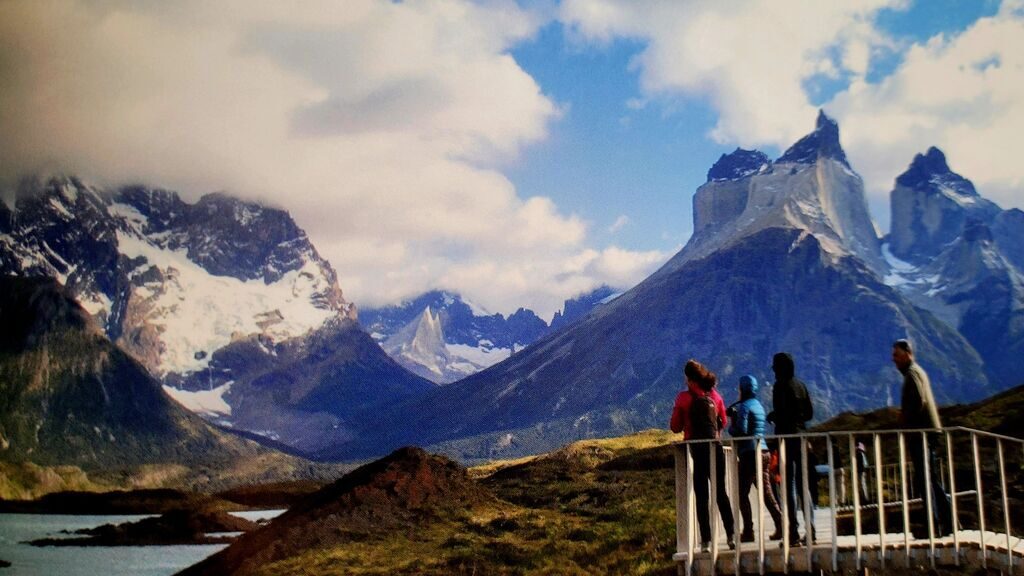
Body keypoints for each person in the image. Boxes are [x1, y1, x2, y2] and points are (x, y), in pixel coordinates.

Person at [670, 359, 735, 552]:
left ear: (690, 379)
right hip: (715, 449)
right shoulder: (715, 395)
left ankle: (706, 540)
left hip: (696, 451)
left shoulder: (683, 398)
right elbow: (723, 421)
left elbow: (675, 427)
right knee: (720, 492)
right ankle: (731, 534)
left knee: (701, 495)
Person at [892, 339, 954, 538]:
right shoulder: (916, 372)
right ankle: (947, 522)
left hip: (922, 433)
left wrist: (905, 416)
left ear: (908, 353)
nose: (894, 359)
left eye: (897, 355)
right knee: (931, 479)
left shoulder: (912, 374)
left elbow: (918, 400)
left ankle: (932, 525)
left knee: (924, 480)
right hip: (927, 431)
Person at [728, 374, 784, 542]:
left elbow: (741, 431)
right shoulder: (758, 405)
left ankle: (748, 531)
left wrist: (732, 422)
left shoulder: (744, 407)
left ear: (743, 389)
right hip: (764, 451)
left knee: (741, 494)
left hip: (750, 454)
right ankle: (781, 524)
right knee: (767, 492)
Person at [766, 352, 815, 544]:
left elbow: (782, 414)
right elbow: (809, 413)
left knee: (789, 486)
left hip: (787, 440)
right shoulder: (801, 385)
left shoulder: (780, 386)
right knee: (805, 486)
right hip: (802, 437)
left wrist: (775, 416)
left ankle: (793, 532)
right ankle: (811, 531)